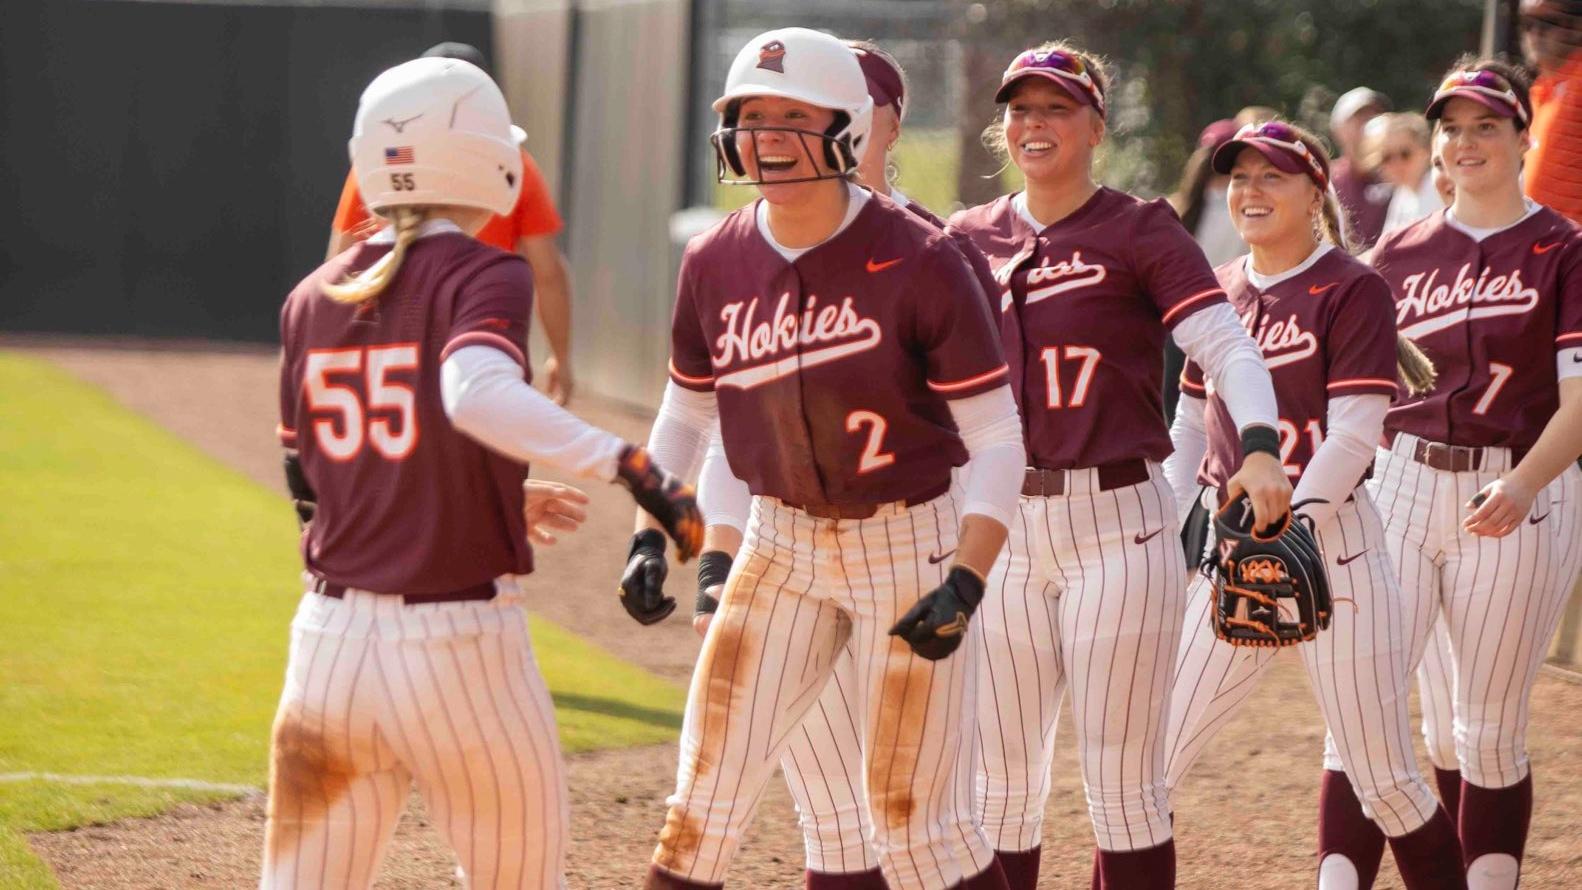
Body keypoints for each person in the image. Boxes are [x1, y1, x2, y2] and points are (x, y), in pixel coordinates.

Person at [266, 56, 701, 889]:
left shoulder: (308, 295)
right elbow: (474, 395)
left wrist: (486, 493)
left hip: (326, 646)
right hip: (457, 646)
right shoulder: (483, 268)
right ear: (478, 156)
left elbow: (311, 480)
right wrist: (635, 467)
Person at [628, 27, 1025, 890]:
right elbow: (689, 409)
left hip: (908, 543)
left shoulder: (923, 256)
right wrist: (652, 534)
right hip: (780, 546)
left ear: (846, 125)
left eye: (791, 115)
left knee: (917, 826)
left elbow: (998, 438)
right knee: (702, 805)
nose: (766, 135)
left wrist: (966, 578)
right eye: (750, 115)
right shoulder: (715, 258)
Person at [948, 43, 1290, 889]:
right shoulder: (964, 239)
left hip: (1117, 527)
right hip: (1000, 536)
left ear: (1095, 126)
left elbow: (1228, 347)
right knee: (998, 785)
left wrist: (1258, 443)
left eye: (1056, 108)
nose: (1034, 124)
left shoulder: (1139, 229)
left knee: (1125, 785)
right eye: (1020, 110)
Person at [1159, 119, 1466, 890]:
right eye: (1240, 178)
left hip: (1338, 551)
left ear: (1314, 192)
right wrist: (1164, 528)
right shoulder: (1220, 289)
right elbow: (1191, 422)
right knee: (1145, 766)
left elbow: (1357, 433)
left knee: (1386, 779)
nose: (1250, 191)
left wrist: (1289, 524)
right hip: (1233, 550)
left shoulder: (1353, 288)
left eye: (1272, 176)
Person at [1334, 57, 1582, 890]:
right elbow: (1347, 394)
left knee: (1489, 729)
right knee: (1359, 713)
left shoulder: (1565, 250)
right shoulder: (1395, 254)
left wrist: (1524, 484)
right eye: (1452, 126)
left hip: (1523, 488)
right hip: (1401, 488)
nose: (1466, 141)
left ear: (1523, 137)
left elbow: (1580, 402)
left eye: (1487, 125)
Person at [327, 42, 577, 405]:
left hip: (398, 345)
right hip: (484, 341)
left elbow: (340, 264)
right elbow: (548, 273)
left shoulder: (384, 161)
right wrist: (562, 358)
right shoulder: (515, 165)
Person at [1522, 0, 1582, 223]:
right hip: (1546, 250)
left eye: (1548, 22)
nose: (1535, 33)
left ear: (1576, 28)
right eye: (1528, 23)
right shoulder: (1539, 91)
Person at [1329, 87, 1394, 249]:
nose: (1369, 123)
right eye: (1359, 117)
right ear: (1338, 130)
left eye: (1375, 116)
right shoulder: (1326, 180)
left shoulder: (1400, 172)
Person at [1365, 113, 1445, 234]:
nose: (1396, 164)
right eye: (1386, 157)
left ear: (1426, 151)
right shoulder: (1402, 195)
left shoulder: (1441, 189)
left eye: (1405, 154)